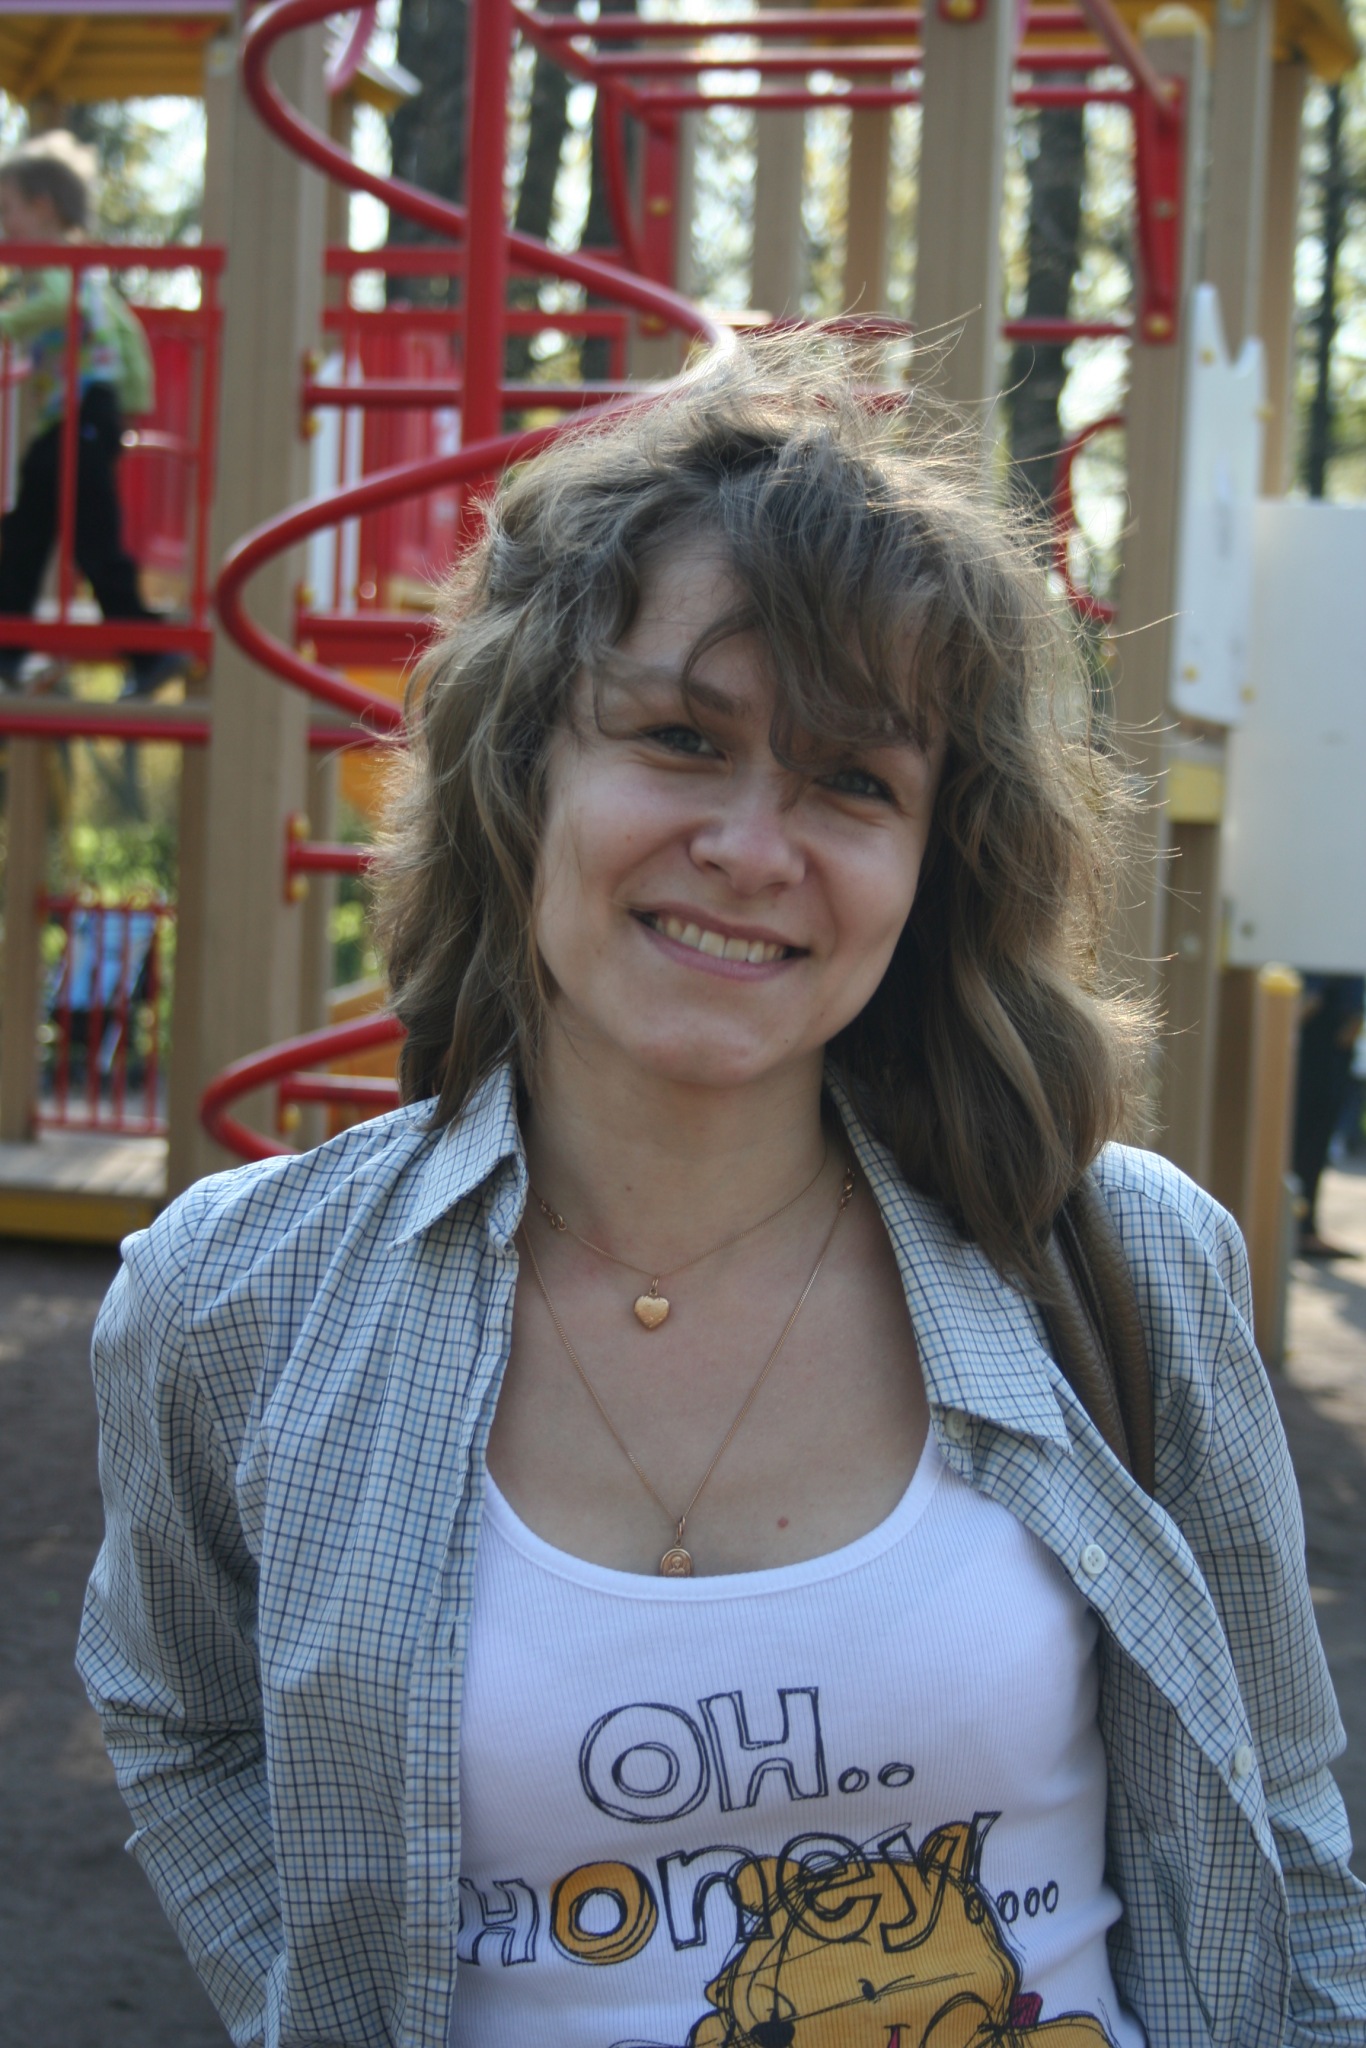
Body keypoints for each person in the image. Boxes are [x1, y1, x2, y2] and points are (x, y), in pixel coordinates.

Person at [77, 338, 1366, 2048]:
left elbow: (1285, 1829)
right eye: (683, 737)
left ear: (932, 863)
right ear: (522, 765)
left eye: (854, 781)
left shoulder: (1121, 1264)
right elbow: (182, 1719)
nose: (756, 849)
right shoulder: (238, 1300)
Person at [0, 132, 188, 698]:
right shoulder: (83, 268)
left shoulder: (56, 264)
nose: (5, 227)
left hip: (79, 415)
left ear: (43, 208)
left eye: (7, 211)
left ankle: (149, 649)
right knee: (31, 530)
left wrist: (7, 324)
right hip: (83, 414)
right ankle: (10, 647)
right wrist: (131, 398)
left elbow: (61, 307)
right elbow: (125, 333)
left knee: (87, 539)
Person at [1292, 973, 1365, 1259]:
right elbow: (1313, 997)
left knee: (1308, 1141)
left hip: (1323, 1041)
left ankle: (1303, 1225)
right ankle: (1302, 1228)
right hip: (1322, 1044)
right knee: (1309, 1141)